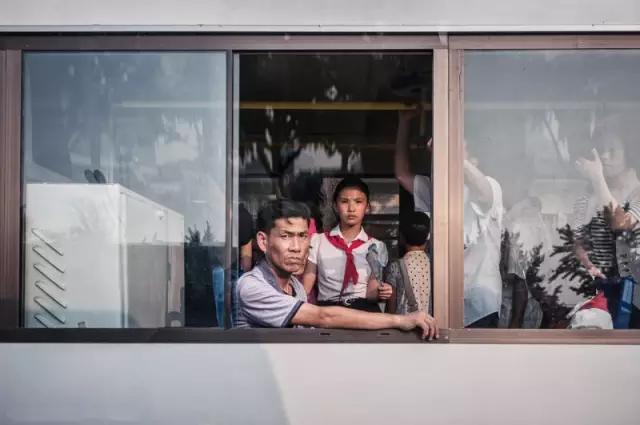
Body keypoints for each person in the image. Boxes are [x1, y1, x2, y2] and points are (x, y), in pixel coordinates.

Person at [235, 199, 438, 339]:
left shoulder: (296, 287)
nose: (296, 247)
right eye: (286, 236)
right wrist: (400, 320)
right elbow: (323, 317)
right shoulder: (252, 286)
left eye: (303, 236)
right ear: (263, 242)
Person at [395, 108, 504, 327]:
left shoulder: (490, 185)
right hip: (447, 301)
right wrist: (404, 123)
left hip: (481, 303)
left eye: (456, 148)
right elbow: (402, 174)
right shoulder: (440, 190)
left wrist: (451, 153)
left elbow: (483, 191)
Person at [572, 117, 640, 328]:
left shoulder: (637, 194)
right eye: (600, 149)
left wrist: (597, 179)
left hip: (635, 299)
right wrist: (590, 266)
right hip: (599, 297)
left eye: (612, 150)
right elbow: (577, 243)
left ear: (629, 153)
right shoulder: (585, 199)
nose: (604, 156)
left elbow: (622, 224)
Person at [302, 177, 394, 312]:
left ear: (367, 207)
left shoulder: (377, 246)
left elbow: (371, 293)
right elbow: (306, 287)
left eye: (358, 202)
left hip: (363, 311)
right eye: (344, 201)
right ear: (335, 206)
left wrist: (382, 292)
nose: (351, 208)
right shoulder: (318, 241)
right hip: (328, 312)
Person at [385, 211, 431, 315]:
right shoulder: (435, 265)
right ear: (428, 236)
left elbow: (391, 308)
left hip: (404, 323)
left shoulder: (395, 266)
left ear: (402, 236)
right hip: (430, 323)